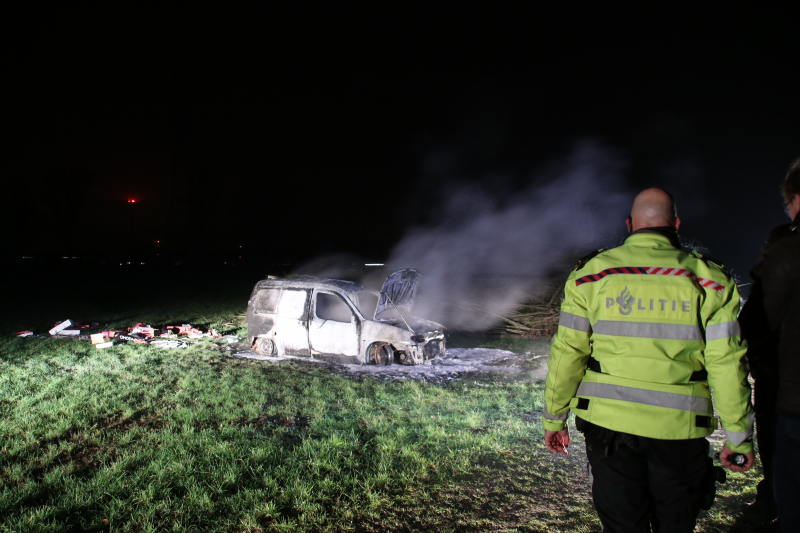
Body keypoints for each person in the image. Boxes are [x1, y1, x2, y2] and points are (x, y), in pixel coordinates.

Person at [542, 188, 754, 533]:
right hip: (679, 432)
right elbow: (728, 364)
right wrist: (738, 438)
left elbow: (568, 352)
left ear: (629, 225)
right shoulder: (711, 281)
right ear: (677, 224)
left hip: (608, 431)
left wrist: (554, 418)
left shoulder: (590, 275)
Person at [743, 159, 800, 533]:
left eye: (789, 202)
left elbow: (756, 326)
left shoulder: (789, 253)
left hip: (791, 395)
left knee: (790, 476)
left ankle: (777, 506)